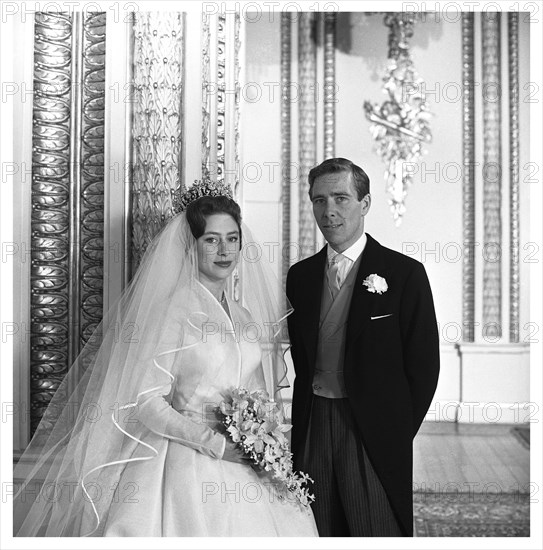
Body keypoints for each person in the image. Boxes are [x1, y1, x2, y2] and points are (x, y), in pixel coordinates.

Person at [13, 180, 318, 537]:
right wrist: (217, 445)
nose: (224, 250)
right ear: (191, 246)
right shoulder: (173, 311)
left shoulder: (244, 315)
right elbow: (146, 402)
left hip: (246, 458)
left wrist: (264, 446)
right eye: (211, 239)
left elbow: (255, 392)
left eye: (232, 238)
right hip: (186, 461)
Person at [286, 158, 440, 537]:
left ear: (366, 203)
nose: (329, 210)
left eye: (341, 198)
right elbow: (303, 360)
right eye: (319, 200)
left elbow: (424, 367)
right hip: (314, 425)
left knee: (374, 527)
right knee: (315, 527)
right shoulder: (300, 277)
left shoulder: (404, 274)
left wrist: (394, 428)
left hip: (373, 429)